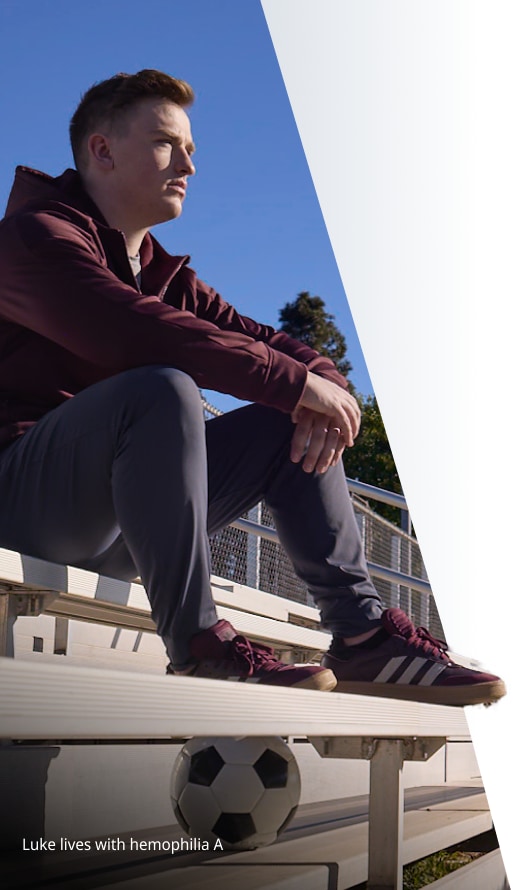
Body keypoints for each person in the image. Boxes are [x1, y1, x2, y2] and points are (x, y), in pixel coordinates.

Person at [0, 69, 504, 706]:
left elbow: (258, 336)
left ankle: (362, 636)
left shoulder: (161, 273)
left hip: (117, 528)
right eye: (166, 143)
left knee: (281, 420)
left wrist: (322, 383)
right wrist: (294, 382)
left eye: (190, 149)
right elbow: (130, 332)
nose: (188, 163)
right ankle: (200, 643)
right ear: (102, 150)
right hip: (20, 504)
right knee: (161, 387)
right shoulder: (32, 239)